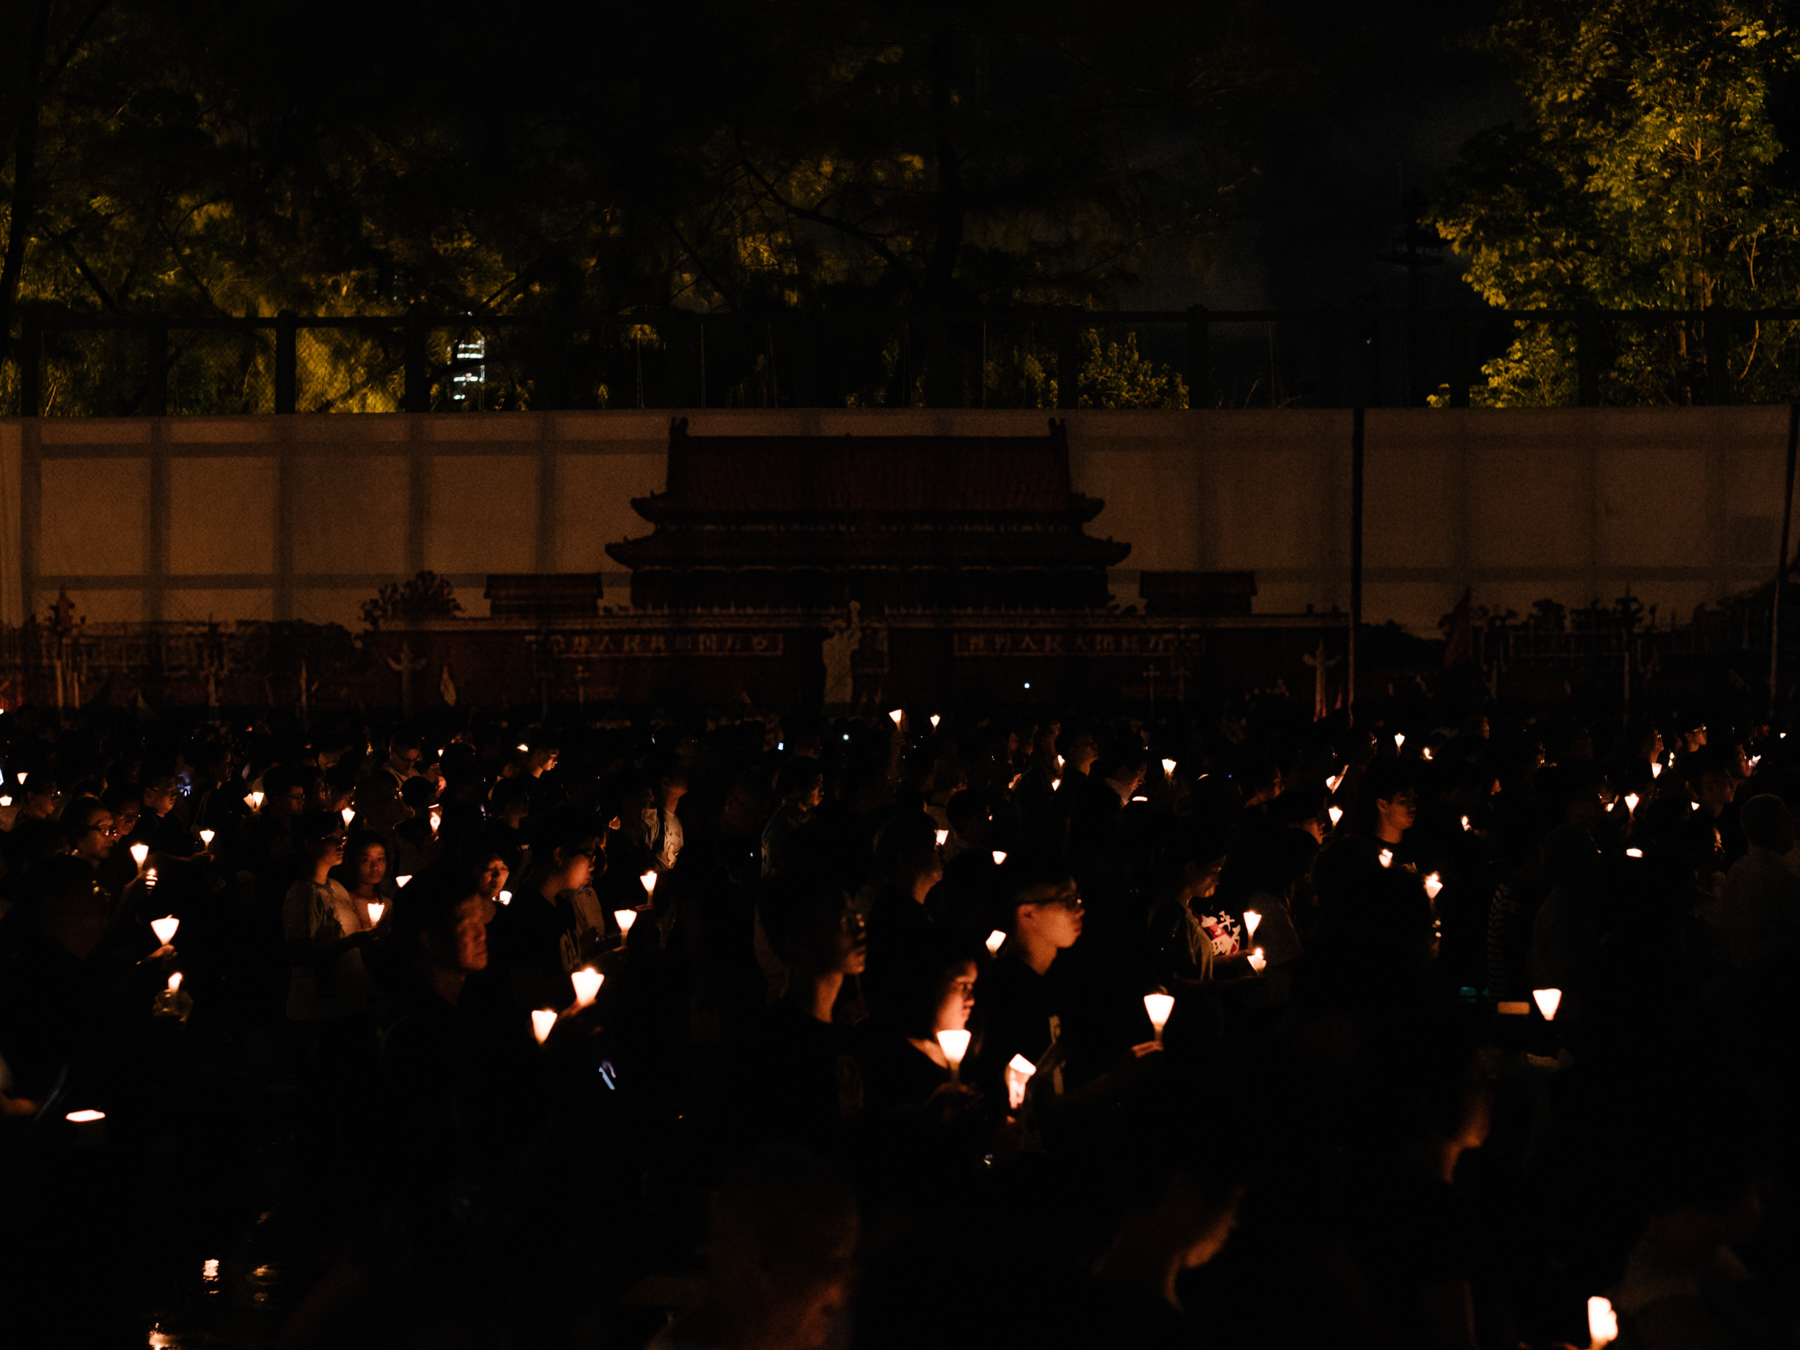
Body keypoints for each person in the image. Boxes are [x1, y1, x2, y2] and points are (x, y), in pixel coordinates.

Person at [647, 1147, 859, 1350]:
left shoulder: (824, 1327)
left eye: (849, 1261)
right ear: (767, 1265)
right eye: (830, 1265)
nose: (840, 1295)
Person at [1709, 794, 1800, 968]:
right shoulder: (1781, 879)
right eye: (1789, 821)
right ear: (1780, 828)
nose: (1793, 827)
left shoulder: (1737, 870)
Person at [762, 757, 823, 878]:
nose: (822, 790)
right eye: (817, 784)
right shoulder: (781, 826)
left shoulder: (809, 818)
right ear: (798, 787)